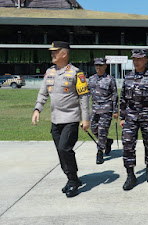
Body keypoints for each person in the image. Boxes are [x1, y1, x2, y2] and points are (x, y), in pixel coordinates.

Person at [31, 41, 90, 198]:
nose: (52, 54)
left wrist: (86, 119)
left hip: (71, 118)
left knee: (65, 148)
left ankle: (72, 181)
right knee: (61, 152)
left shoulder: (76, 73)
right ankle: (73, 178)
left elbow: (83, 97)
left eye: (55, 52)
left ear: (64, 54)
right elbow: (43, 94)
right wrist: (37, 109)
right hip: (55, 120)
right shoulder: (50, 72)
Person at [119, 49, 148, 190]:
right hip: (131, 116)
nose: (136, 61)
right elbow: (123, 98)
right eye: (134, 59)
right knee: (127, 144)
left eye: (139, 59)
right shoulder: (128, 77)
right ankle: (130, 175)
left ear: (146, 60)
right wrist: (122, 116)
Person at [87, 58, 118, 164]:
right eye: (96, 65)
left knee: (102, 131)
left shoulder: (110, 79)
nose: (98, 67)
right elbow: (87, 93)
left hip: (106, 109)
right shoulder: (91, 79)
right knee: (93, 129)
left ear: (105, 66)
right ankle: (107, 141)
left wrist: (115, 111)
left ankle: (100, 152)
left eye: (100, 65)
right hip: (95, 109)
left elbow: (115, 95)